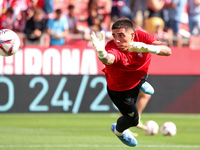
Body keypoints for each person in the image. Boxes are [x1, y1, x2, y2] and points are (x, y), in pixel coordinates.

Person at [91, 18, 171, 147]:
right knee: (134, 121)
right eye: (114, 36)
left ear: (133, 35)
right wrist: (101, 53)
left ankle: (140, 82)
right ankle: (118, 131)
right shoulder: (112, 47)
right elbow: (109, 59)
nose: (117, 40)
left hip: (139, 76)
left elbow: (168, 51)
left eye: (121, 36)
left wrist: (148, 48)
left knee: (142, 68)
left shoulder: (141, 36)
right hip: (121, 90)